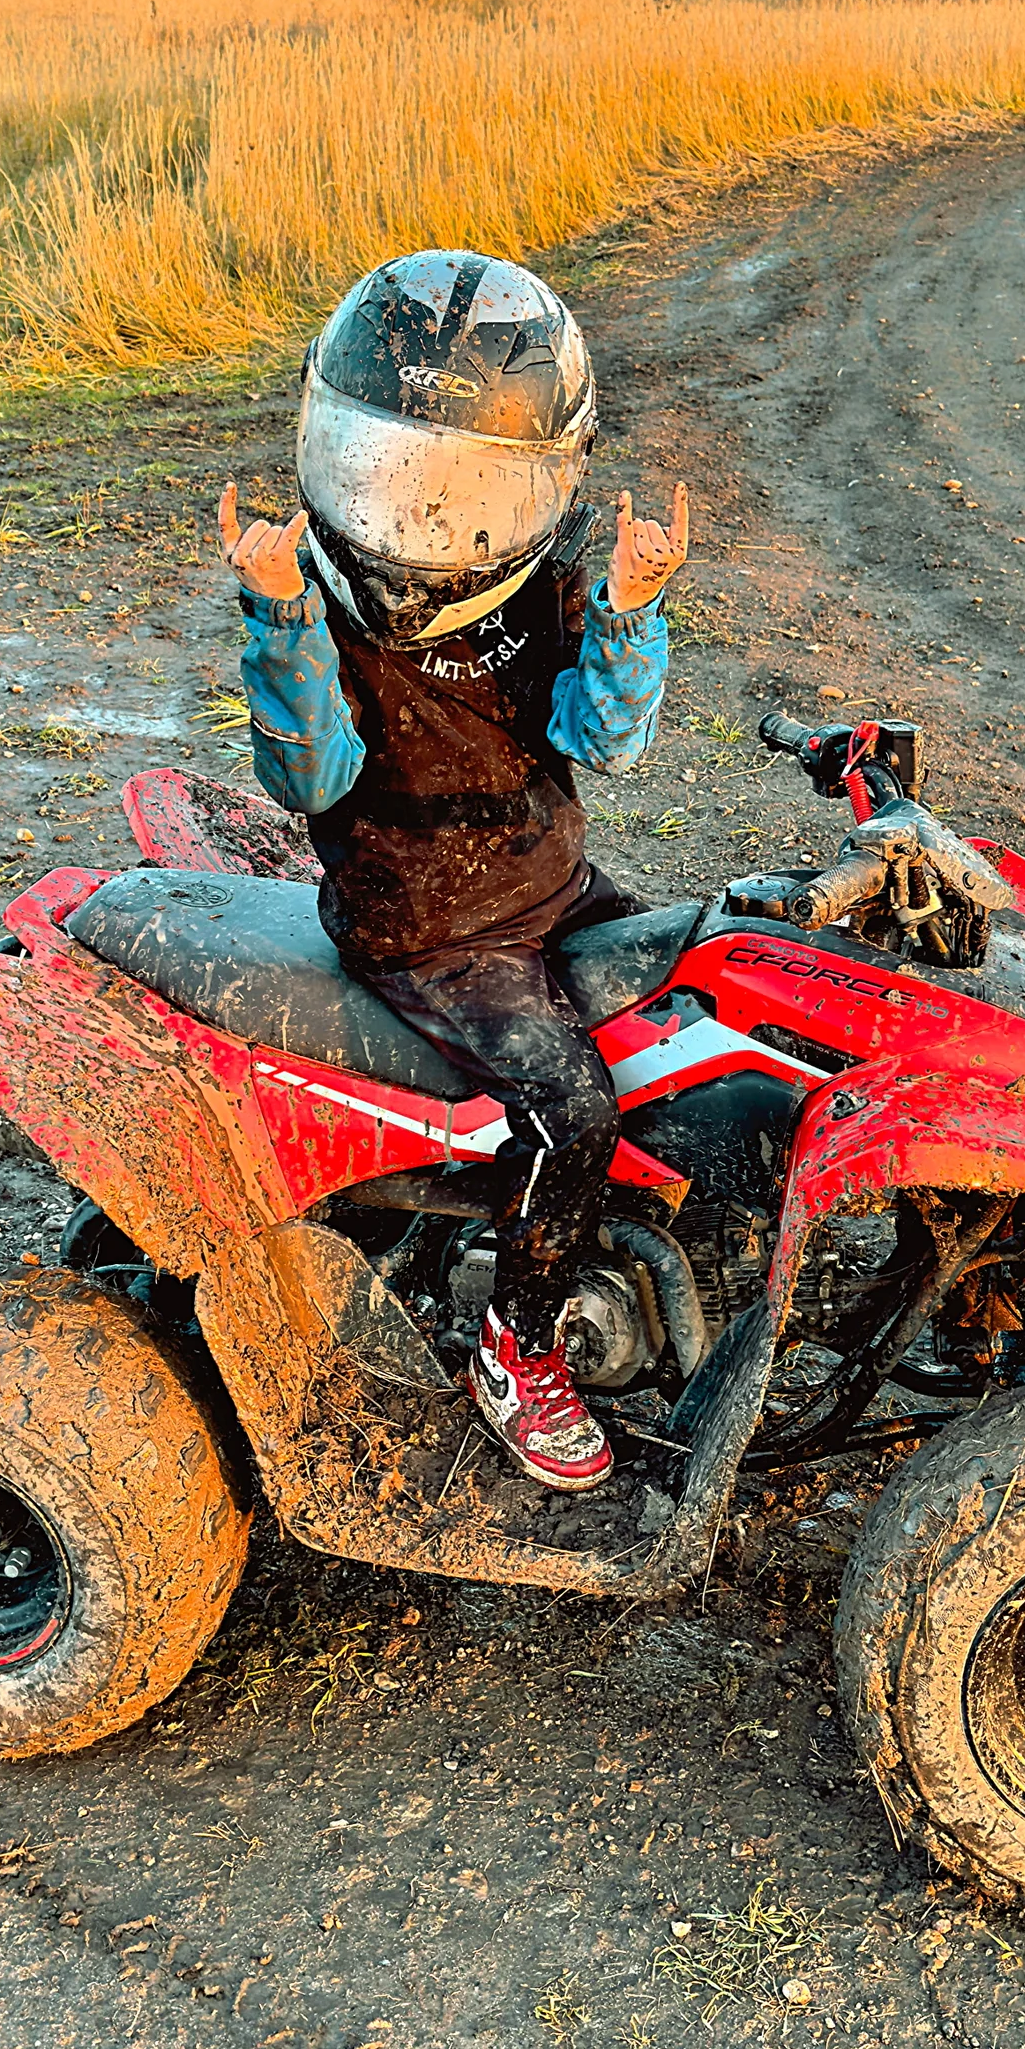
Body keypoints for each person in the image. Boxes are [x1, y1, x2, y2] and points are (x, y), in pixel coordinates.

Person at [217, 248, 690, 1494]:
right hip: (424, 924)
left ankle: (633, 1255)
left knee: (697, 1006)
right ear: (337, 454)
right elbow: (308, 778)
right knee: (568, 1109)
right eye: (391, 477)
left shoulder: (546, 577)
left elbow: (604, 739)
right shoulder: (313, 599)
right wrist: (275, 611)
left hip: (543, 885)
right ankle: (516, 1346)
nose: (417, 522)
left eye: (459, 490)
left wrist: (633, 607)